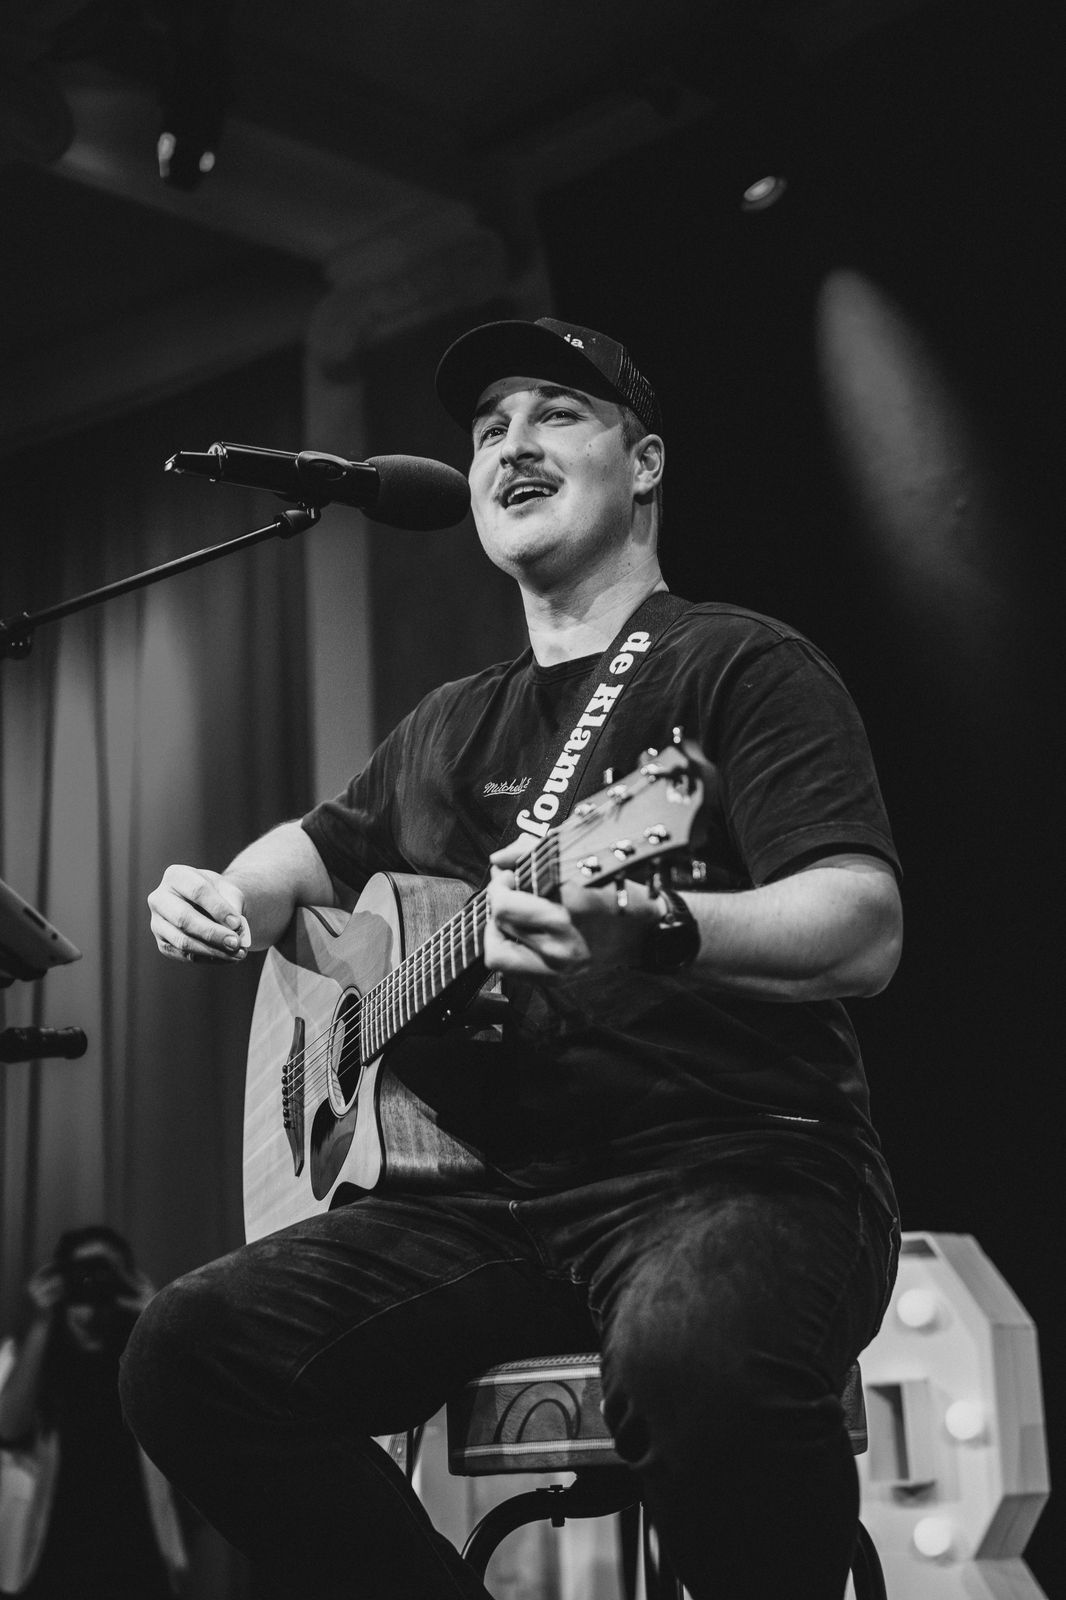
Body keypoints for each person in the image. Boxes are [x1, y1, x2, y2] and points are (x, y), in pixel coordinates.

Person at [124, 317, 903, 1600]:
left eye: (557, 413)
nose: (511, 445)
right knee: (186, 1351)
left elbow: (862, 923)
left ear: (644, 464)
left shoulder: (740, 664)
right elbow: (307, 851)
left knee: (690, 1357)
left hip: (734, 1166)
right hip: (494, 1208)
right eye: (489, 429)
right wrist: (234, 898)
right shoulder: (449, 723)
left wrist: (659, 927)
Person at [0, 1226, 188, 1597]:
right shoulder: (27, 1356)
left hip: (138, 1560)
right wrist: (41, 1321)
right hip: (49, 1562)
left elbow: (189, 1430)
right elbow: (8, 1429)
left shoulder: (142, 1360)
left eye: (106, 1276)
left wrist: (153, 1315)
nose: (91, 1301)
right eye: (81, 1276)